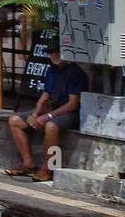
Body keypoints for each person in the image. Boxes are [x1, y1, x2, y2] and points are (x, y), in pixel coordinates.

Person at [6, 42, 88, 183]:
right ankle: (28, 164)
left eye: (57, 52)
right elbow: (45, 95)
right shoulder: (52, 70)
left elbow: (73, 103)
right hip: (52, 108)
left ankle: (50, 168)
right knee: (15, 120)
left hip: (69, 112)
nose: (54, 56)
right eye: (51, 52)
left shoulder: (76, 73)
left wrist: (48, 116)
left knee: (51, 126)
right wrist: (36, 113)